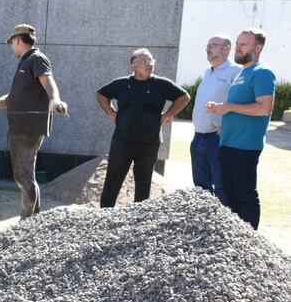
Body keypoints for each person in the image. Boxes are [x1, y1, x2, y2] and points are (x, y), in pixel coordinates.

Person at [0, 24, 68, 218]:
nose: (12, 47)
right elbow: (12, 98)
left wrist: (56, 100)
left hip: (28, 128)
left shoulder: (37, 58)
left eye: (12, 43)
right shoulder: (25, 63)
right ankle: (33, 220)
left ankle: (26, 221)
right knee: (26, 176)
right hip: (21, 127)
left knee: (24, 178)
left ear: (17, 40)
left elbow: (49, 81)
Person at [96, 48, 190, 207]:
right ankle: (105, 211)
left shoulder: (161, 84)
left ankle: (140, 214)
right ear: (133, 65)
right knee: (113, 178)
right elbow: (101, 94)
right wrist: (111, 113)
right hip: (122, 140)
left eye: (151, 60)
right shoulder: (122, 83)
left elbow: (184, 97)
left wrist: (167, 115)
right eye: (144, 60)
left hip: (149, 141)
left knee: (144, 181)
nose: (149, 63)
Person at [207, 29, 276, 229]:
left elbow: (264, 108)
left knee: (245, 195)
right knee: (230, 195)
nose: (237, 48)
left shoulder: (262, 72)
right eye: (237, 44)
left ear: (258, 47)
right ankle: (236, 237)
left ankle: (250, 239)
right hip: (228, 143)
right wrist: (223, 112)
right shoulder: (242, 73)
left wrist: (228, 107)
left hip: (245, 146)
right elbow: (239, 107)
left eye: (243, 44)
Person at [190, 35, 242, 205]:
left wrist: (228, 128)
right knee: (200, 188)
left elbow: (241, 103)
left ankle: (224, 220)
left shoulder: (236, 71)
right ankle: (204, 220)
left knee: (221, 188)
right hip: (198, 137)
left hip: (218, 139)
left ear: (226, 49)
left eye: (213, 45)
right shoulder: (208, 71)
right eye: (208, 45)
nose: (208, 48)